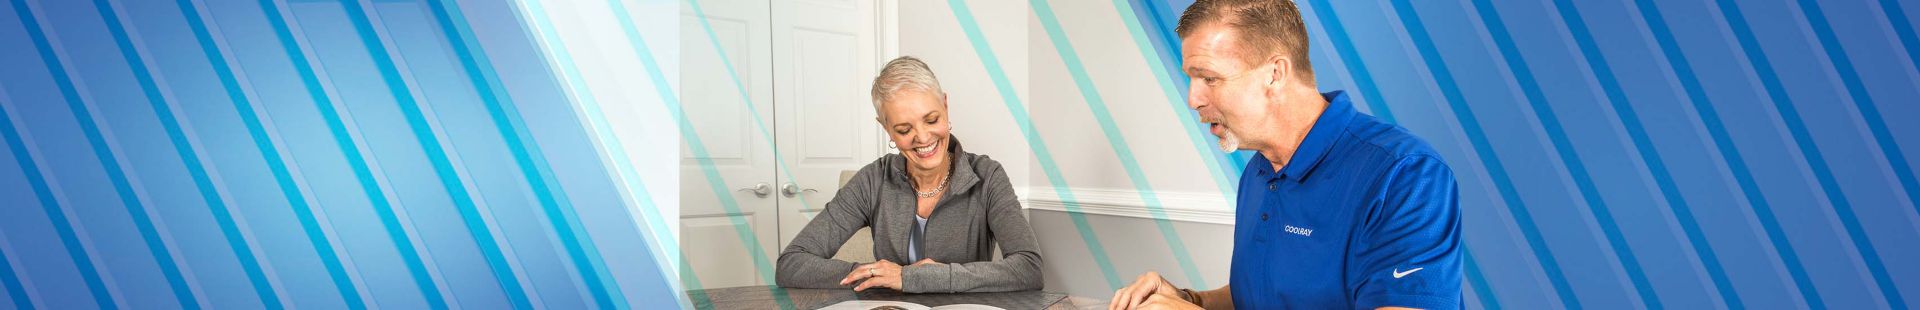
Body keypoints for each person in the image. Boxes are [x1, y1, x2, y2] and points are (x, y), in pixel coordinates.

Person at [1110, 0, 1462, 309]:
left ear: (1275, 73)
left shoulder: (1406, 175)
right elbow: (1264, 295)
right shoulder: (1260, 170)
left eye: (1210, 78)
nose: (1193, 99)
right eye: (1192, 79)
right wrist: (1188, 299)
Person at [774, 56, 1043, 293]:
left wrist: (914, 277)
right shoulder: (872, 180)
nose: (923, 137)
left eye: (932, 119)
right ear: (886, 128)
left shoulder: (987, 176)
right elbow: (792, 263)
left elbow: (1028, 268)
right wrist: (877, 274)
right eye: (904, 129)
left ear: (946, 105)